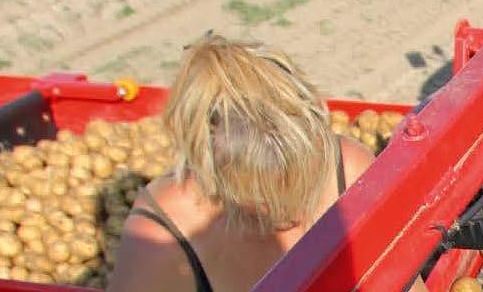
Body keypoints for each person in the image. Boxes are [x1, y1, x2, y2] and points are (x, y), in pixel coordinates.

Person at [108, 34, 428, 292]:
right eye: (262, 192)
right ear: (212, 168)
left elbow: (405, 283)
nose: (290, 216)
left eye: (303, 177)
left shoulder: (349, 169)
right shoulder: (163, 235)